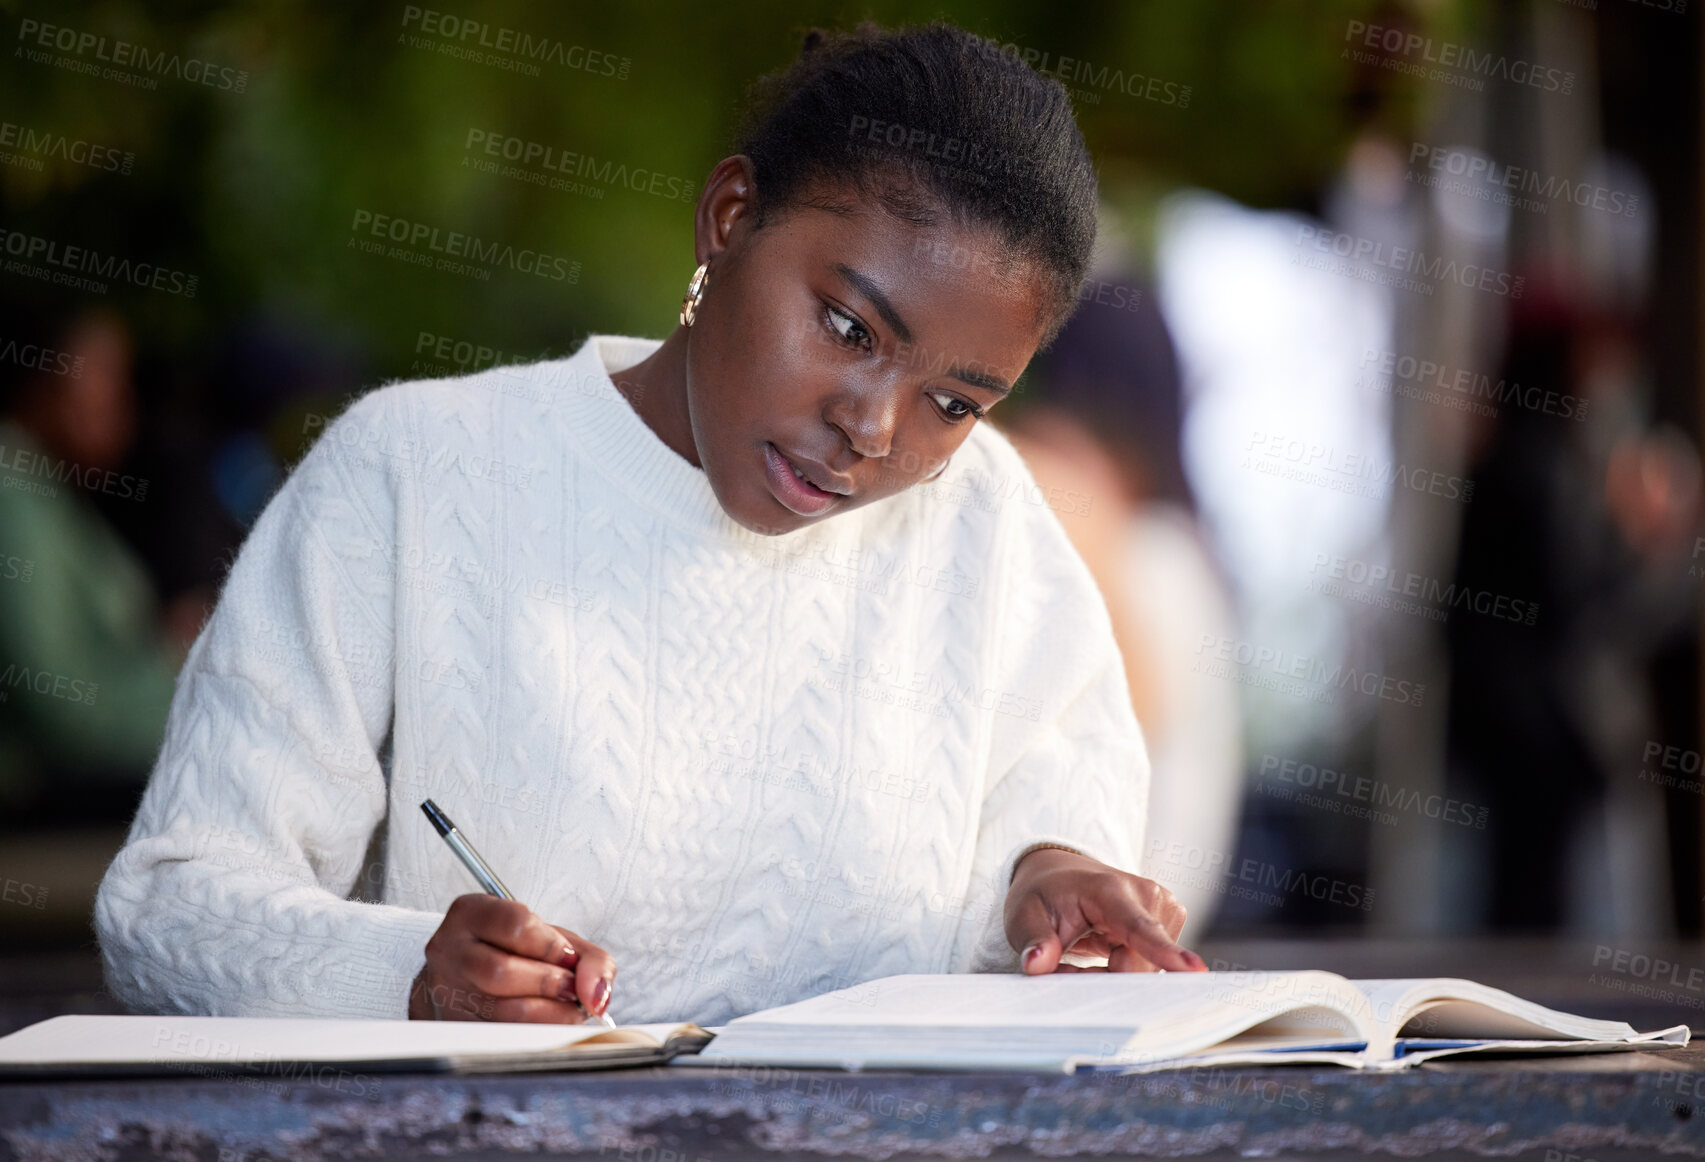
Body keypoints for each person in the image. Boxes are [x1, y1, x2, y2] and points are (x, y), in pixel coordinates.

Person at [94, 21, 1206, 1029]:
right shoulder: (414, 476)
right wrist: (409, 976)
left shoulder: (988, 526)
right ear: (727, 220)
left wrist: (1045, 883)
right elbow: (170, 906)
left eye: (955, 402)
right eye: (846, 324)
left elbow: (1051, 830)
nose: (873, 428)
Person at [999, 277, 1245, 941]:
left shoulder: (1121, 539)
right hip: (1162, 905)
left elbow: (1109, 733)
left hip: (1116, 904)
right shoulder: (1180, 546)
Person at [0, 303, 201, 825]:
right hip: (46, 803)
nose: (121, 399)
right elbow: (64, 712)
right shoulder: (13, 498)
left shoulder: (42, 490)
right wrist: (188, 673)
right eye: (105, 376)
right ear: (43, 380)